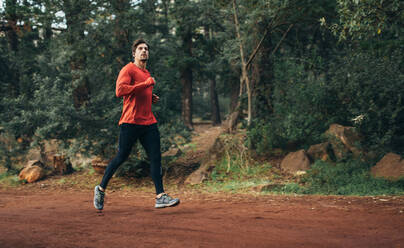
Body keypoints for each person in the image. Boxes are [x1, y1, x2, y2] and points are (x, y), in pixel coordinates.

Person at [93, 39, 180, 210]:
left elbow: (138, 92)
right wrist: (145, 85)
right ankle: (101, 189)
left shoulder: (146, 73)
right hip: (130, 122)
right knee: (122, 156)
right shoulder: (128, 69)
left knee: (155, 157)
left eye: (146, 49)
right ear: (134, 53)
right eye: (140, 49)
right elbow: (120, 91)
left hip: (148, 122)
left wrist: (150, 97)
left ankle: (160, 196)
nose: (144, 51)